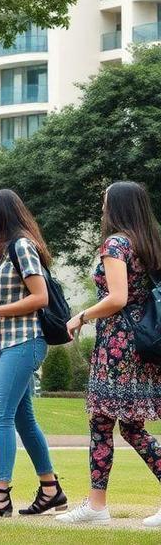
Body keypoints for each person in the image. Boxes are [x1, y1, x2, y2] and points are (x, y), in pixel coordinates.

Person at [57, 181, 161, 527]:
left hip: (119, 343)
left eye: (104, 202)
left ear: (115, 206)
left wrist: (81, 315)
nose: (102, 208)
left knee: (108, 423)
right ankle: (96, 505)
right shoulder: (149, 242)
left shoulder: (116, 244)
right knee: (122, 425)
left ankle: (97, 506)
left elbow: (117, 297)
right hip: (142, 341)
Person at [0, 190, 63, 517]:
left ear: (0, 213)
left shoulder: (22, 246)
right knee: (22, 418)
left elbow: (40, 297)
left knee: (0, 415)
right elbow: (5, 295)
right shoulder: (1, 252)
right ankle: (50, 489)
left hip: (25, 341)